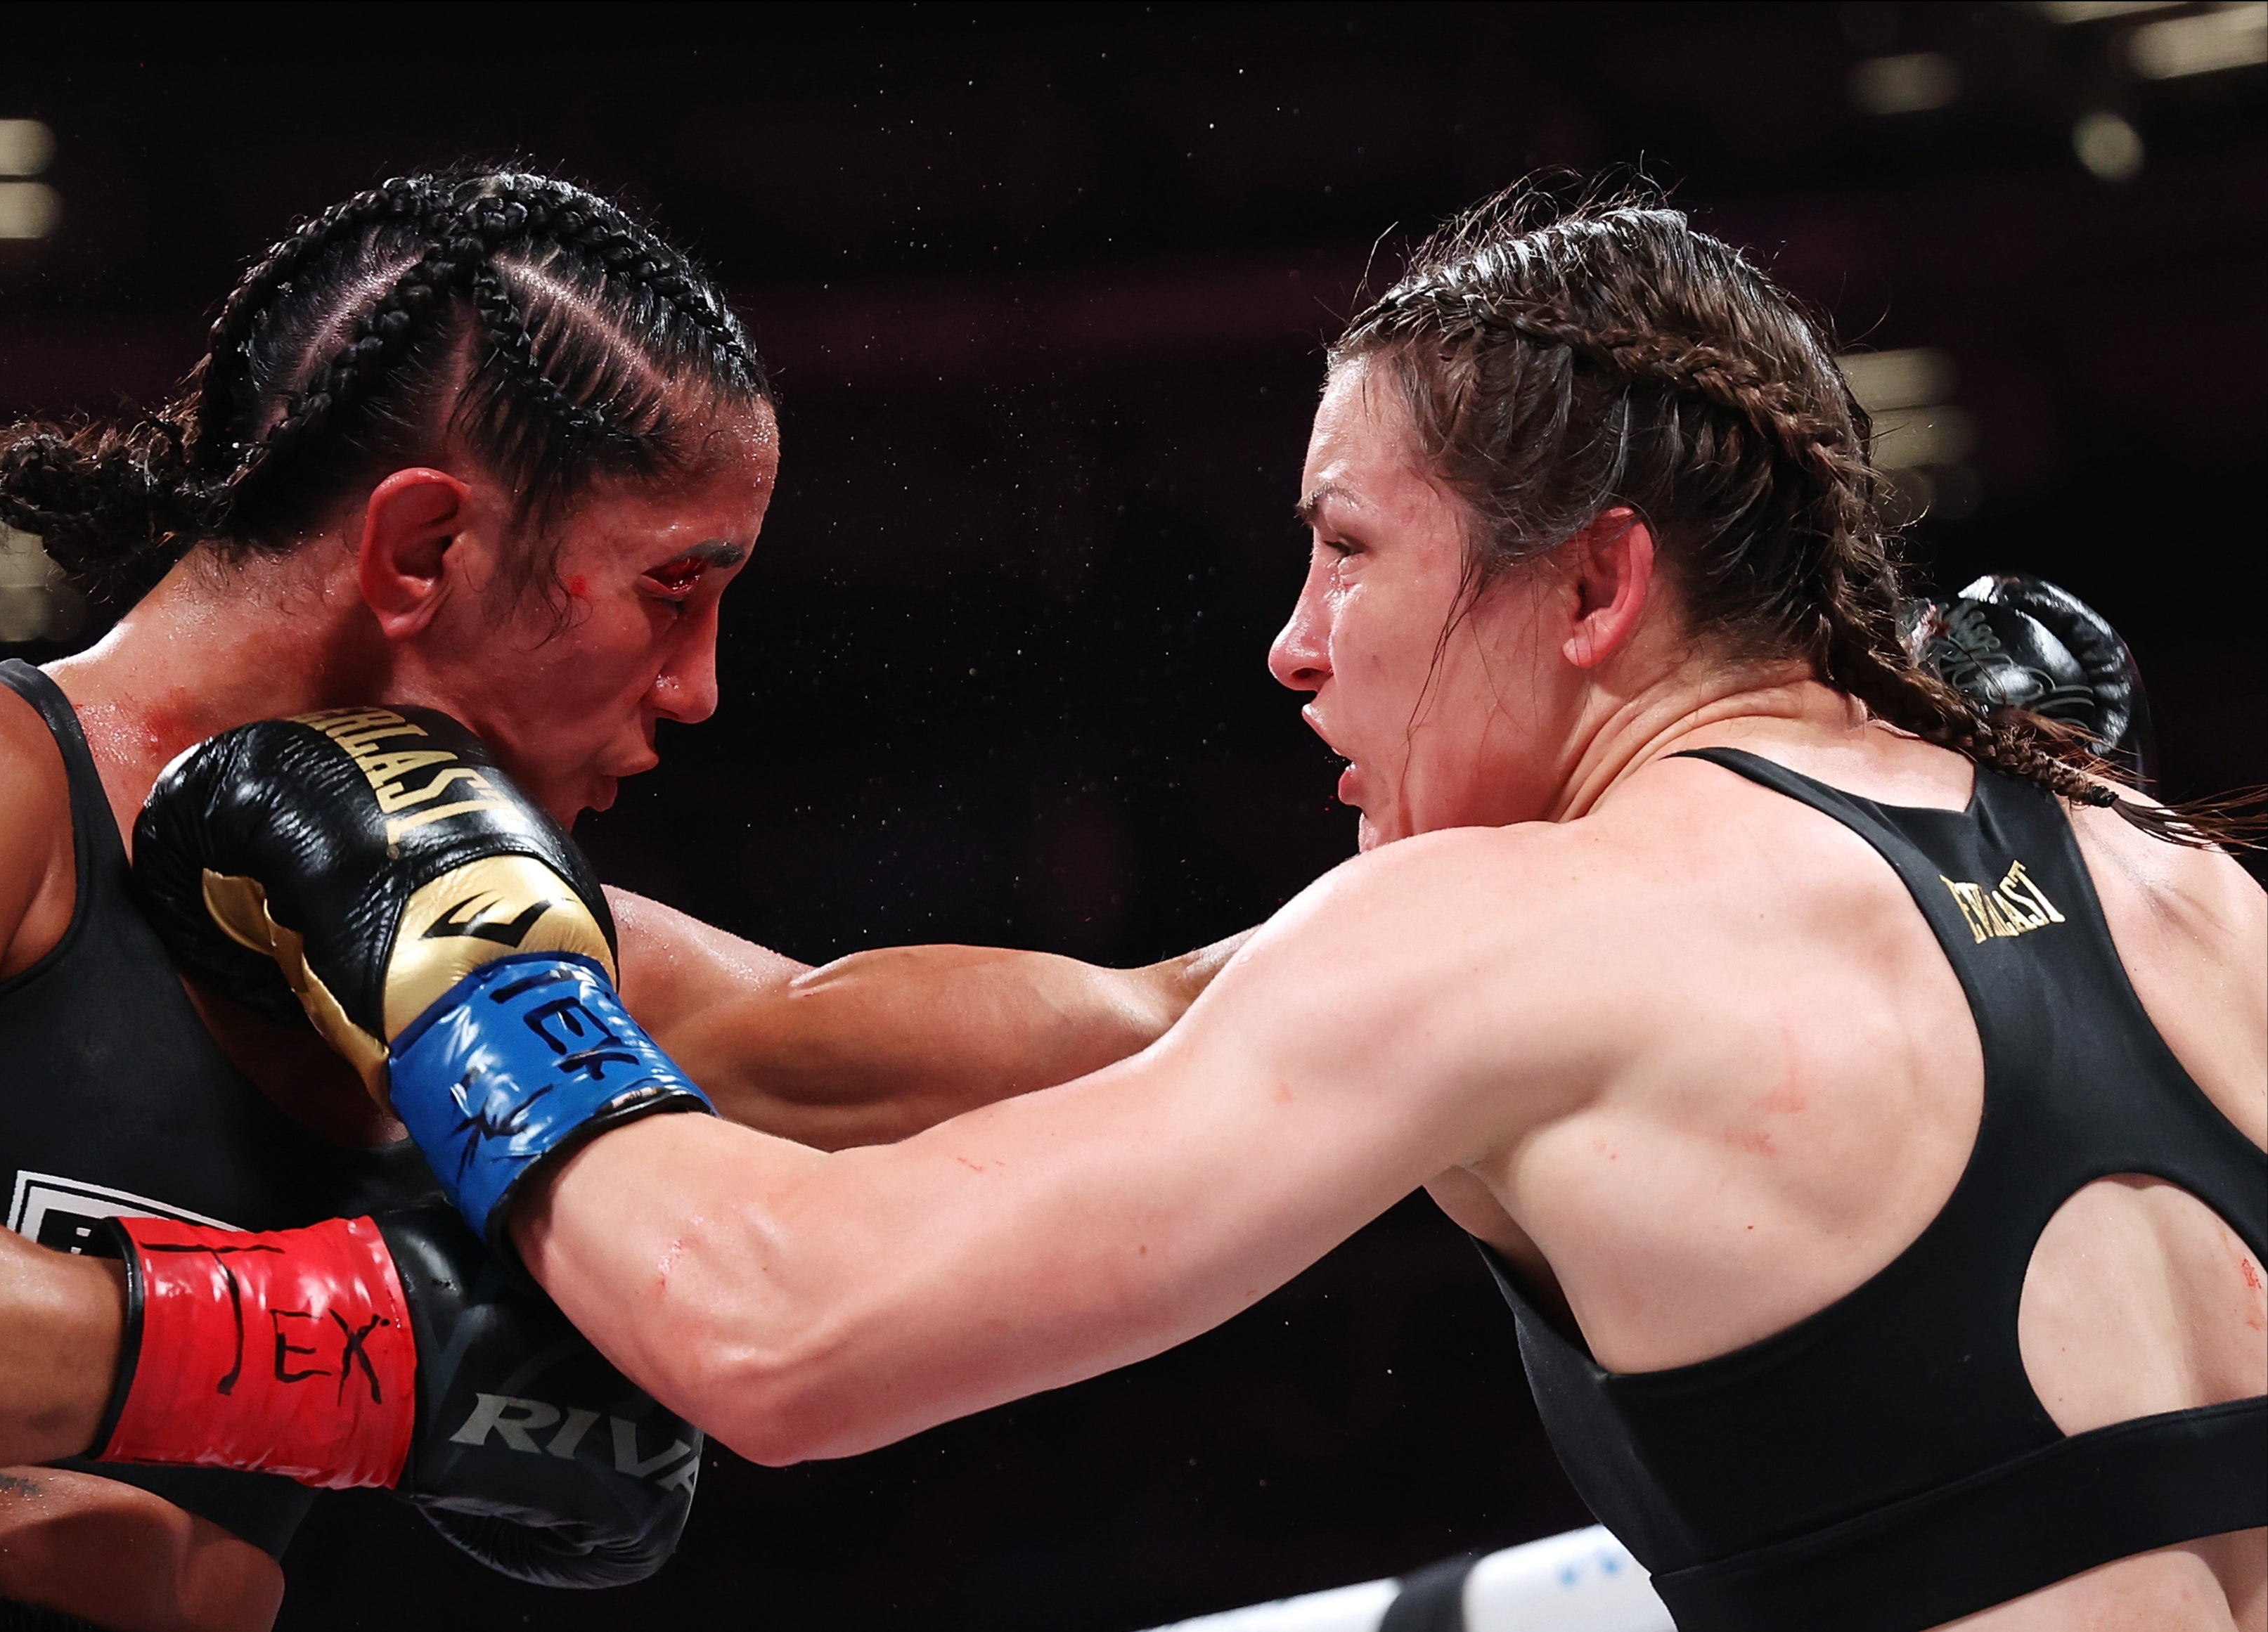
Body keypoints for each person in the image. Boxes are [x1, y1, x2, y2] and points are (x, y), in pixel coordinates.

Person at [173, 192, 2261, 1631]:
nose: (1292, 644)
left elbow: (775, 1329)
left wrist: (445, 955)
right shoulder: (2183, 886)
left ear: (1597, 587)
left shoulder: (1495, 934)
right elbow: (1140, 1011)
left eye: (1348, 550)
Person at [0, 167, 1237, 1632]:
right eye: (670, 588)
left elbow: (1066, 1031)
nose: (695, 689)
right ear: (424, 549)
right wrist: (353, 1361)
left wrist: (1447, 912)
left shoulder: (449, 934)